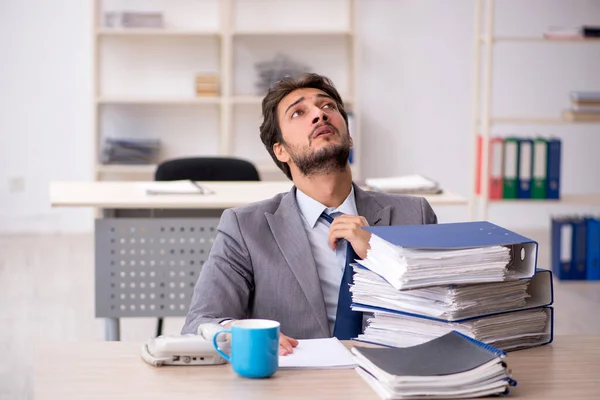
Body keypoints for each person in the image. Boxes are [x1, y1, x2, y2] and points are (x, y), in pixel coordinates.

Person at [181, 73, 437, 355]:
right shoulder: (244, 228)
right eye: (298, 112)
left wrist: (382, 254)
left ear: (349, 136)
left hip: (393, 381)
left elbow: (450, 313)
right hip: (296, 385)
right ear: (281, 151)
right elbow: (200, 323)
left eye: (327, 106)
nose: (319, 115)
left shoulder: (414, 214)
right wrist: (241, 333)